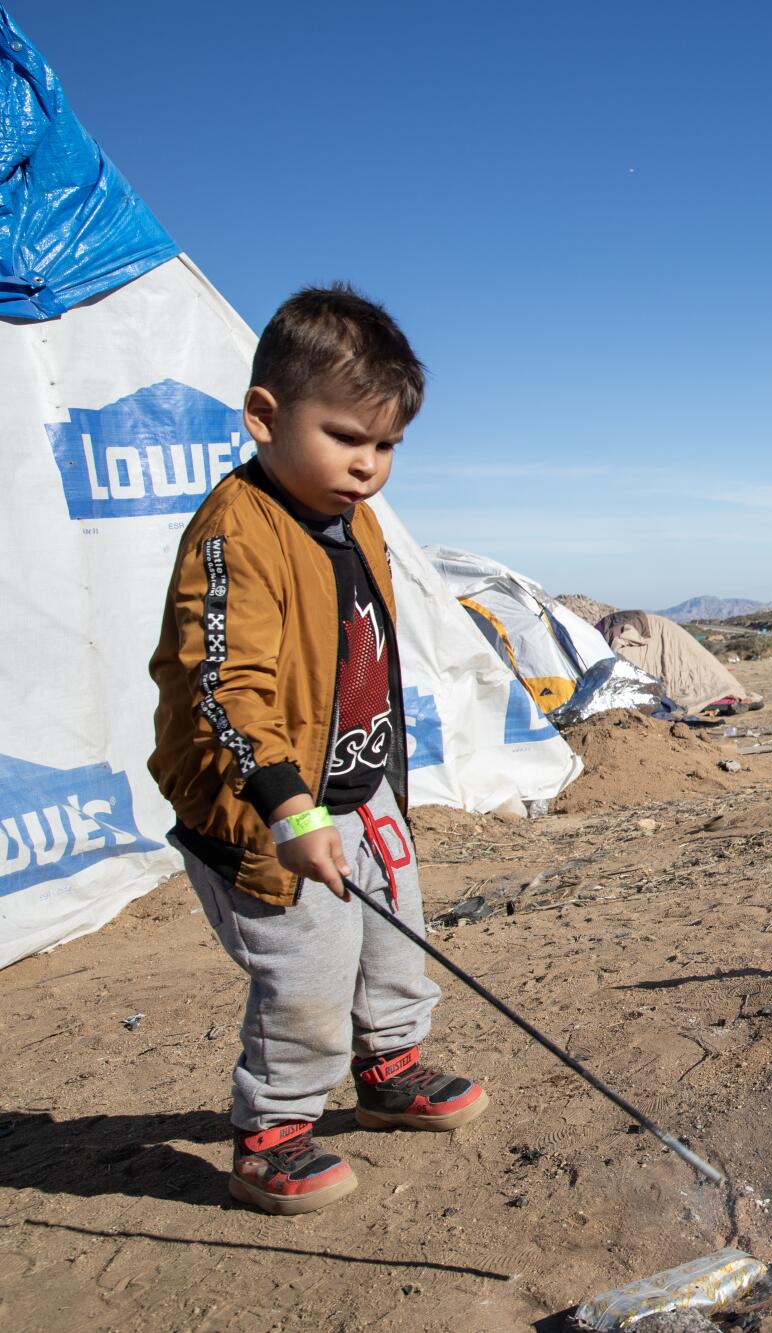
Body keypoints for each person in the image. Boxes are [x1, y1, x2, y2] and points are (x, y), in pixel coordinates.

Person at [148, 285, 486, 1216]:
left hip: (358, 778)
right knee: (308, 959)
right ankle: (273, 1132)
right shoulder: (236, 531)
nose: (369, 466)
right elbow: (222, 684)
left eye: (386, 447)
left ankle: (390, 1071)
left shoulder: (355, 517)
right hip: (265, 801)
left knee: (392, 929)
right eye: (346, 437)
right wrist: (289, 805)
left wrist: (366, 787)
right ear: (265, 414)